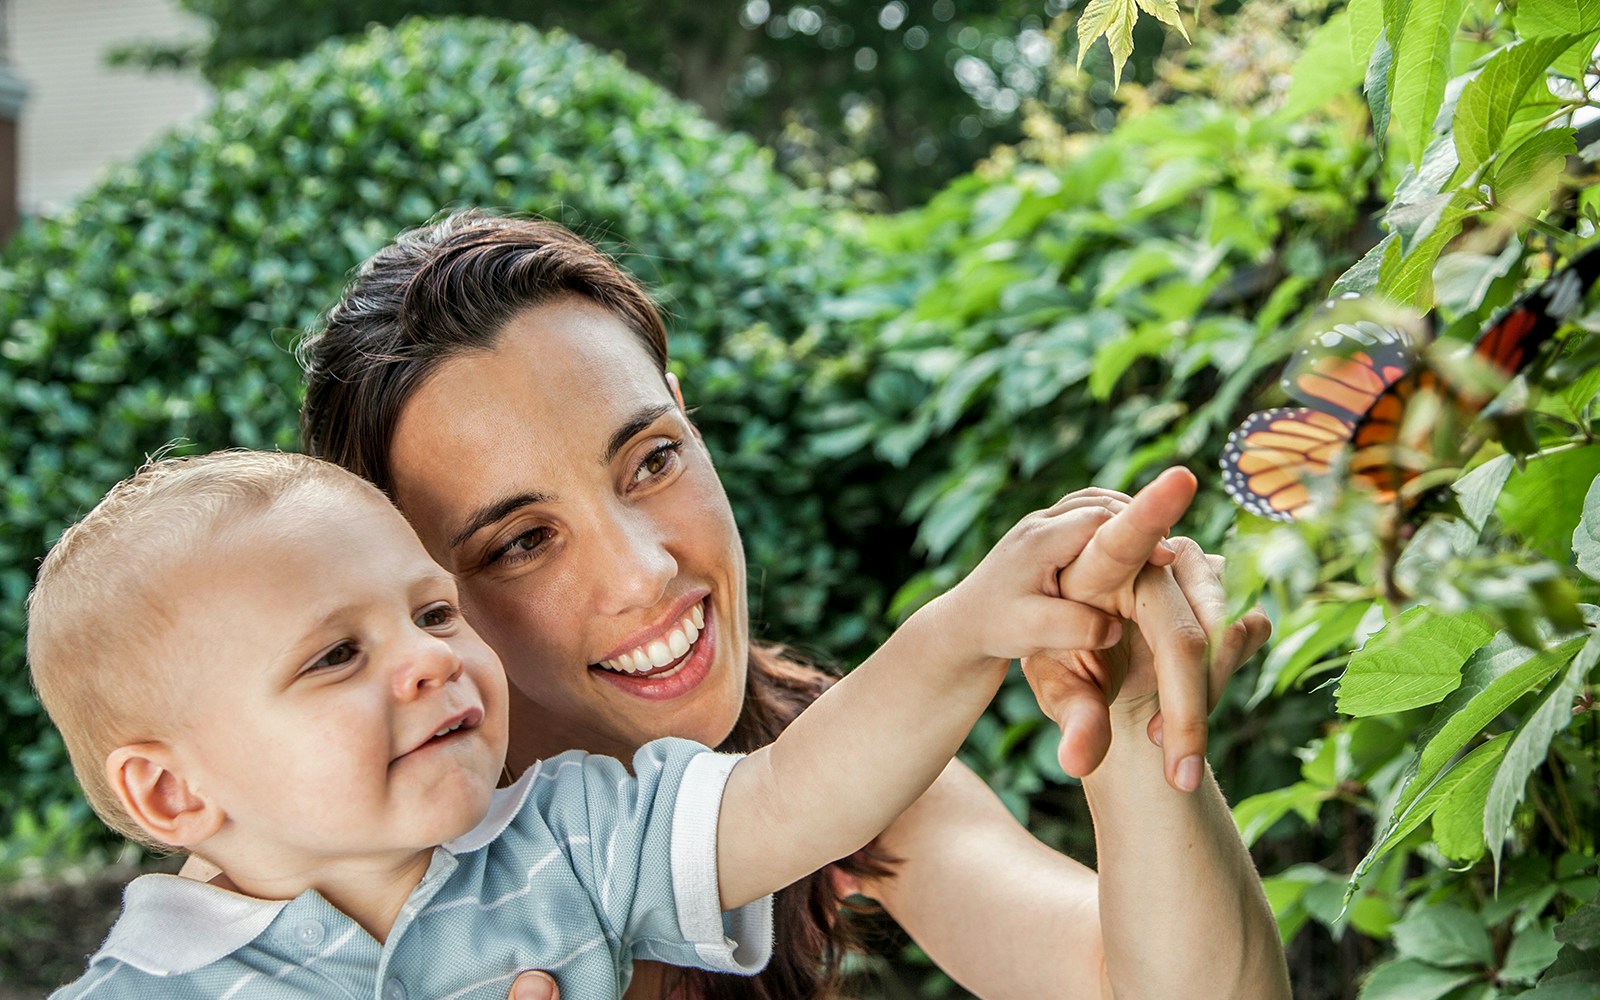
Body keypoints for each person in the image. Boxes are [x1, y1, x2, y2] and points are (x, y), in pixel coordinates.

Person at [298, 210, 1291, 1000]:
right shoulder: (328, 898)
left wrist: (1129, 714)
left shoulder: (840, 764)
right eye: (520, 542)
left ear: (689, 416)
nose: (643, 572)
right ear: (417, 592)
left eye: (651, 459)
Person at [31, 449, 1179, 999]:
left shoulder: (571, 840)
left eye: (433, 609)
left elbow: (796, 794)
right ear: (173, 794)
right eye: (338, 654)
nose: (431, 657)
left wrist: (968, 624)